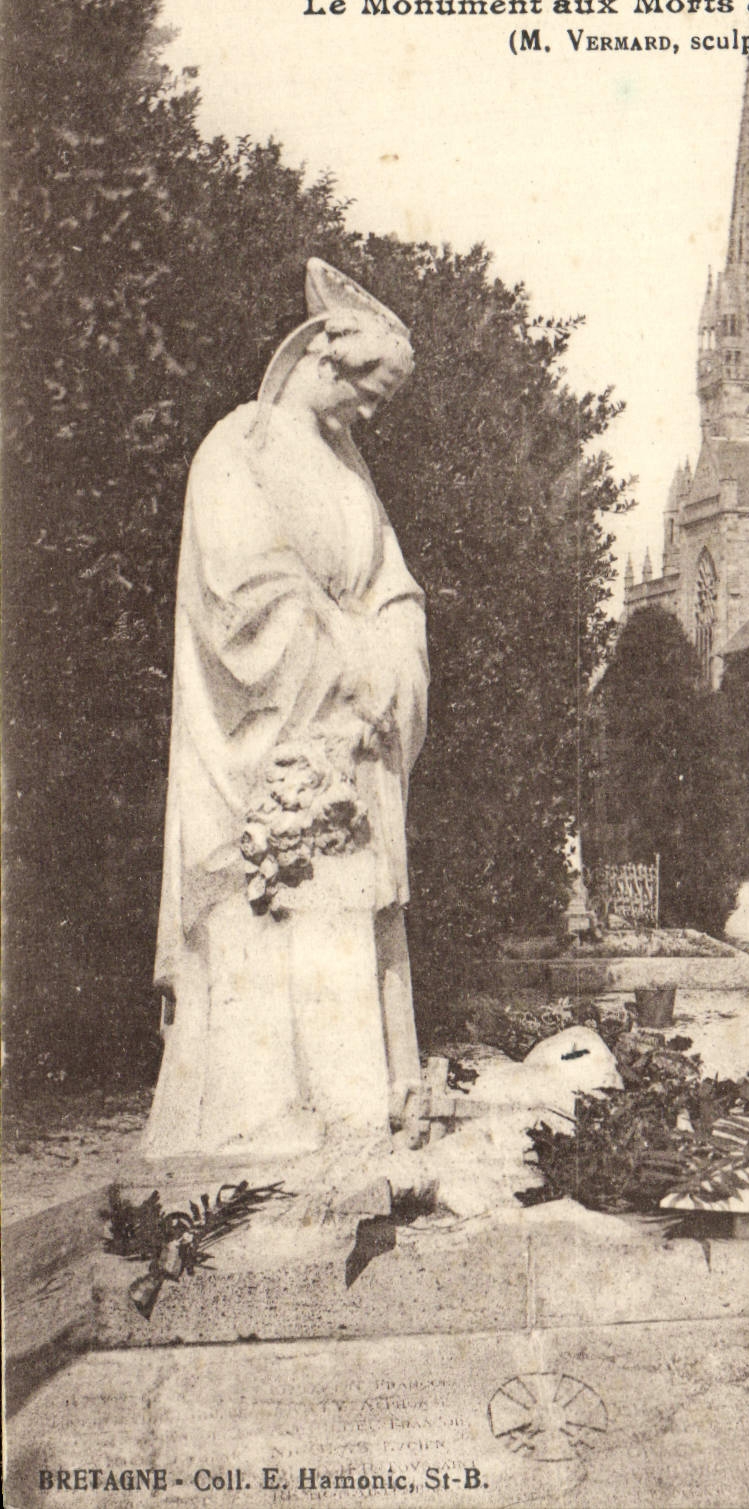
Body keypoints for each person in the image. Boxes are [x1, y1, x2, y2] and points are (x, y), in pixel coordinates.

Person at [143, 260, 428, 1176]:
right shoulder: (241, 449)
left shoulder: (353, 478)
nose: (373, 419)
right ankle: (261, 1116)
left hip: (350, 738)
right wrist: (347, 669)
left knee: (343, 919)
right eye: (368, 394)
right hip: (269, 742)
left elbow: (394, 591)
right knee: (272, 916)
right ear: (321, 359)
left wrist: (391, 661)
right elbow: (242, 590)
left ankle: (356, 1107)